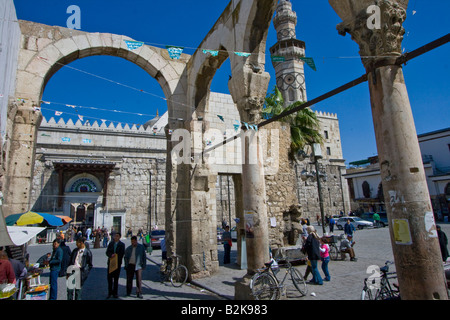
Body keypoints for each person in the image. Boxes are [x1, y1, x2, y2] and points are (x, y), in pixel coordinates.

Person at [106, 232, 125, 298]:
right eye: (115, 236)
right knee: (109, 279)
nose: (116, 237)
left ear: (119, 237)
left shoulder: (122, 245)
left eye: (117, 236)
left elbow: (122, 253)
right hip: (110, 263)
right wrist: (111, 255)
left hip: (117, 264)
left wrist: (116, 257)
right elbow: (107, 252)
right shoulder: (111, 244)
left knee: (116, 279)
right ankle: (110, 292)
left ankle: (115, 293)